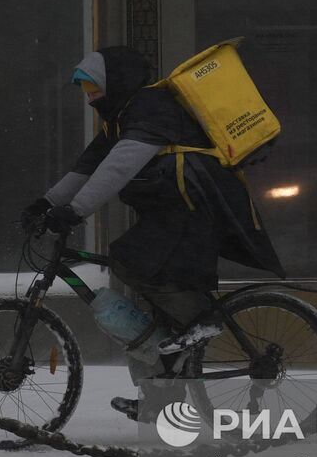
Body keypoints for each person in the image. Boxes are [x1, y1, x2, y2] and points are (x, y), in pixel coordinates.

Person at [24, 45, 284, 422]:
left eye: (93, 87)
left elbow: (118, 167)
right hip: (170, 212)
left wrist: (75, 211)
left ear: (117, 81)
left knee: (131, 260)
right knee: (145, 308)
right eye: (85, 90)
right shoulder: (120, 116)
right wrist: (44, 204)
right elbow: (85, 169)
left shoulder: (151, 108)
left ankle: (203, 321)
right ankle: (161, 398)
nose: (90, 97)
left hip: (195, 208)